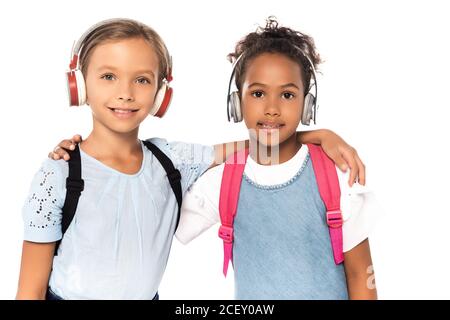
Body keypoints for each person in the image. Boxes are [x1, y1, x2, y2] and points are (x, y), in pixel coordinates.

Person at [18, 18, 365, 300]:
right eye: (108, 76)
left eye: (142, 80)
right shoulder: (59, 172)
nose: (125, 92)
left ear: (160, 94)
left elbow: (258, 144)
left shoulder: (171, 161)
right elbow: (29, 290)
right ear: (79, 84)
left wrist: (315, 135)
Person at [175, 17, 379, 299]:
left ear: (307, 106)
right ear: (236, 103)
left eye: (287, 94)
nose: (271, 108)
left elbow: (360, 275)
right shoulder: (223, 180)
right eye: (258, 93)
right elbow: (160, 211)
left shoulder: (335, 173)